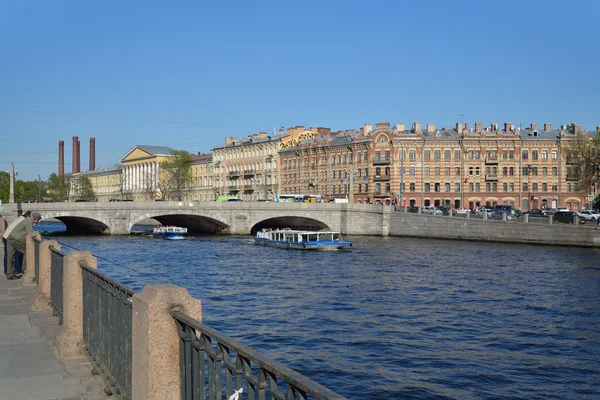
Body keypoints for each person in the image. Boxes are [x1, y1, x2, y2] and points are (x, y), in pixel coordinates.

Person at [6, 212, 41, 280]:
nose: (38, 221)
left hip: (10, 238)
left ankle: (9, 273)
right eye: (38, 219)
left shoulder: (26, 220)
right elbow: (30, 234)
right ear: (36, 219)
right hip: (16, 239)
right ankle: (24, 269)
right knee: (27, 251)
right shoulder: (29, 222)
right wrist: (37, 233)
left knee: (10, 257)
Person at [2, 211, 30, 276]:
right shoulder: (24, 221)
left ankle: (7, 271)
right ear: (28, 216)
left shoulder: (20, 218)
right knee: (18, 253)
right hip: (10, 237)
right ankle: (17, 270)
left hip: (5, 236)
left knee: (8, 255)